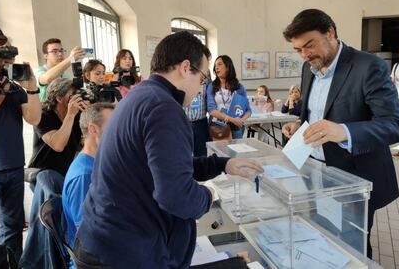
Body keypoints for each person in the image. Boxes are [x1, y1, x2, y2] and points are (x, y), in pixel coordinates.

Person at [74, 31, 263, 269]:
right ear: (186, 67)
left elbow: (168, 165)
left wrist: (222, 164)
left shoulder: (142, 95)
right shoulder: (164, 107)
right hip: (121, 251)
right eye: (202, 79)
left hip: (105, 241)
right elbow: (176, 196)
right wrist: (209, 196)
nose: (199, 89)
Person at [281, 9, 399, 258]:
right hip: (315, 172)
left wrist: (344, 131)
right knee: (324, 239)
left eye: (309, 45)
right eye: (298, 50)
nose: (305, 55)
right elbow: (316, 112)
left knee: (351, 248)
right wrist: (300, 124)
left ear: (331, 33)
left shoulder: (368, 66)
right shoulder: (309, 68)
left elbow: (395, 123)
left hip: (352, 178)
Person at [0, 26, 41, 262]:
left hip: (12, 166)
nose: (7, 54)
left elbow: (34, 118)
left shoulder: (14, 87)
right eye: (1, 50)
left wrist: (32, 86)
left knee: (12, 229)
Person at [62, 103, 114, 253]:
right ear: (93, 130)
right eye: (113, 126)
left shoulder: (96, 164)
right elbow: (87, 238)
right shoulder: (84, 176)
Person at [28, 78, 88, 177]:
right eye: (73, 94)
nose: (78, 97)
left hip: (66, 171)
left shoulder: (78, 114)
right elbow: (58, 145)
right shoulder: (43, 115)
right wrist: (70, 115)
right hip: (43, 174)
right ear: (59, 98)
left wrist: (89, 113)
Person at [207, 55, 251, 139]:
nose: (216, 67)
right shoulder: (212, 86)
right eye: (215, 66)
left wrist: (241, 121)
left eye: (220, 64)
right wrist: (231, 119)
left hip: (236, 127)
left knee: (236, 151)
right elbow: (211, 110)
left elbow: (248, 110)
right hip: (217, 126)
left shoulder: (239, 87)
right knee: (220, 152)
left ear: (228, 67)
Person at [183, 70, 211, 157]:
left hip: (201, 123)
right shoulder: (183, 69)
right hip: (184, 123)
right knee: (183, 154)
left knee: (201, 154)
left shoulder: (205, 71)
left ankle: (200, 171)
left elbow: (210, 95)